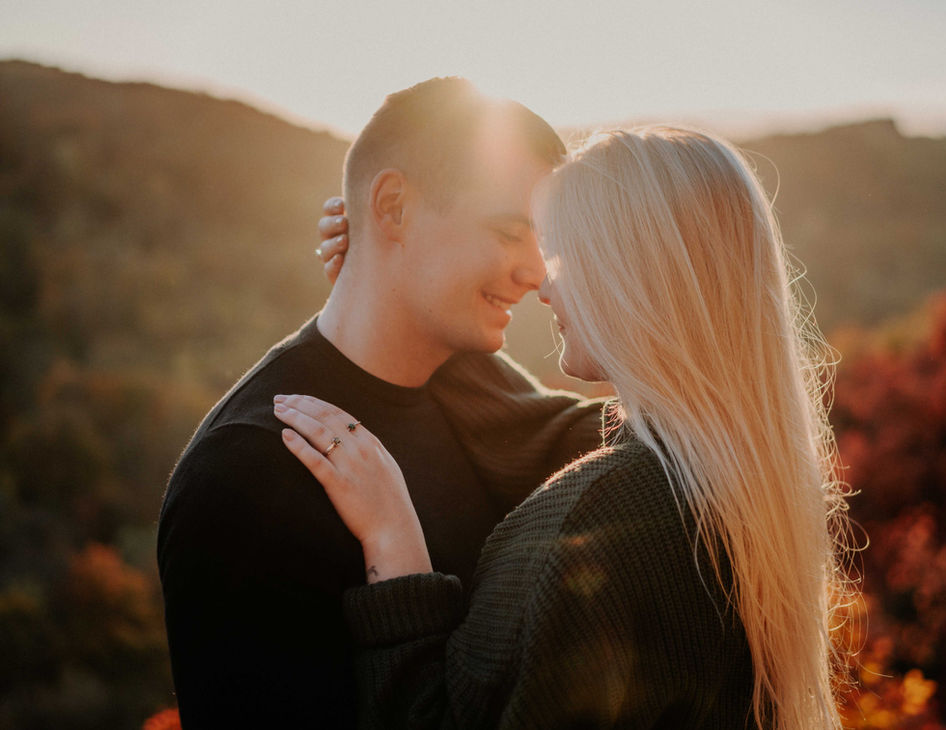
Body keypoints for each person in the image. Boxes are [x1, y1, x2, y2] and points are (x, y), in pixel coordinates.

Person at [281, 127, 854, 729]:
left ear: (632, 273)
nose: (543, 286)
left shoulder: (598, 519)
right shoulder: (733, 479)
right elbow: (539, 425)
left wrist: (394, 542)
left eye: (563, 256)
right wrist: (399, 298)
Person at [157, 78, 604, 728]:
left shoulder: (479, 397)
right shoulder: (247, 474)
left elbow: (619, 447)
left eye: (542, 241)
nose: (535, 272)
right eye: (509, 233)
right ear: (392, 206)